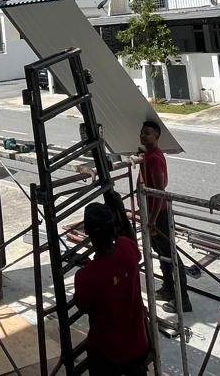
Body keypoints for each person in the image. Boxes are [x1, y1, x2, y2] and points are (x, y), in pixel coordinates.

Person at [72, 202, 150, 376]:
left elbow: (83, 306)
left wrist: (91, 268)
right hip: (138, 344)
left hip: (107, 353)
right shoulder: (127, 247)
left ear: (86, 232)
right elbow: (121, 265)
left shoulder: (86, 276)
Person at [136, 119, 191, 313]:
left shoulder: (154, 158)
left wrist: (151, 220)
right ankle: (168, 288)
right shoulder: (148, 155)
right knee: (162, 254)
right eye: (142, 132)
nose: (143, 136)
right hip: (153, 213)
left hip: (159, 214)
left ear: (156, 136)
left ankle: (182, 299)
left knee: (170, 255)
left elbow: (159, 191)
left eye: (147, 133)